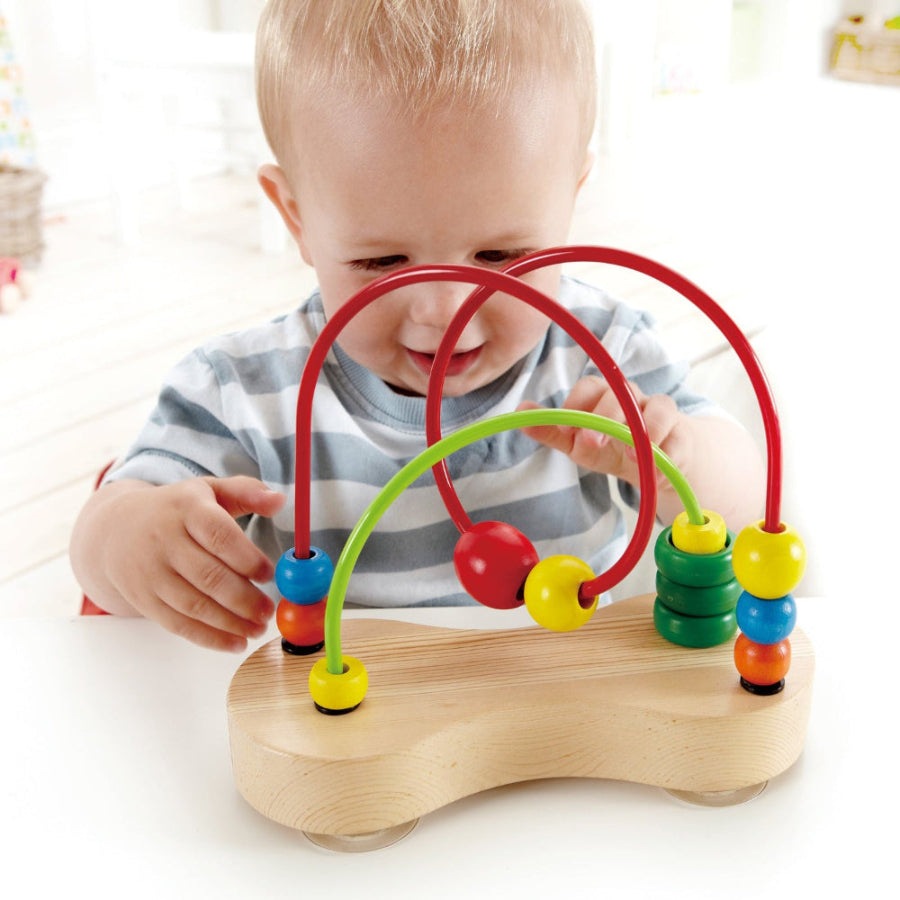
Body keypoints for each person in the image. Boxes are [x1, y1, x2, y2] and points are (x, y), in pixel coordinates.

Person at [69, 0, 765, 652]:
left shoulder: (604, 353)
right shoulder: (243, 392)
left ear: (570, 200)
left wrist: (679, 459)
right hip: (351, 742)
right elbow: (102, 554)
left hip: (561, 731)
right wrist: (130, 541)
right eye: (381, 261)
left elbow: (745, 498)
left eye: (500, 256)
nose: (441, 312)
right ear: (296, 218)